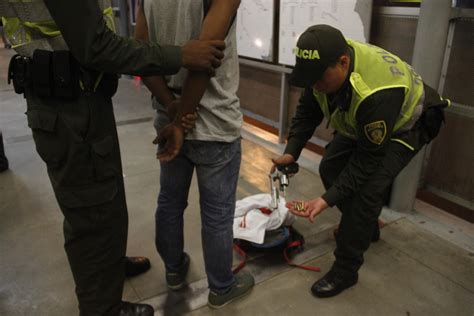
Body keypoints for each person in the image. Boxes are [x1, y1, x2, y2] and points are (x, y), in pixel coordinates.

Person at [1, 0, 225, 315]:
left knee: (105, 203)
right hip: (68, 105)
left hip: (80, 98)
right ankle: (102, 307)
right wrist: (181, 55)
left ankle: (107, 268)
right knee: (89, 212)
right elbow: (95, 46)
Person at [272, 25, 449, 298]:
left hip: (409, 123)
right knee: (330, 166)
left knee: (366, 190)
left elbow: (366, 162)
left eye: (318, 79)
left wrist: (326, 199)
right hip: (367, 119)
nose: (315, 85)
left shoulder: (374, 95)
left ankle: (346, 270)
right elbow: (308, 109)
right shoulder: (324, 65)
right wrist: (291, 151)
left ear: (343, 63)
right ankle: (365, 227)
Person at [134, 0, 254, 309]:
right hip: (214, 122)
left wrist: (172, 109)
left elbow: (141, 52)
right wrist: (182, 119)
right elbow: (208, 55)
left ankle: (174, 271)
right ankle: (221, 288)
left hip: (169, 117)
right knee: (217, 216)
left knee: (170, 202)